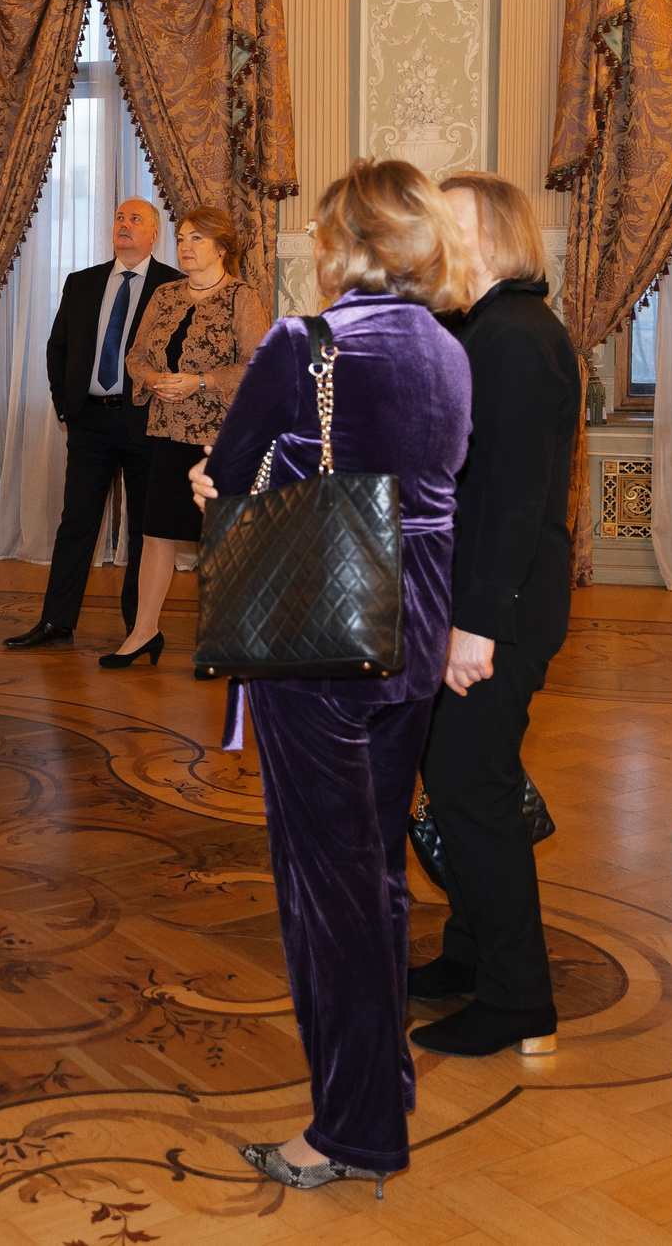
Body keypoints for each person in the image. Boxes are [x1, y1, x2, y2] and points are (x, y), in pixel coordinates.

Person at [188, 158, 472, 1194]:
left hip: (316, 628)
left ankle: (350, 1130)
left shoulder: (304, 343)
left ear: (344, 240)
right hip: (410, 628)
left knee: (329, 886)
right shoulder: (448, 348)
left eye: (320, 229)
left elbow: (225, 474)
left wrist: (204, 481)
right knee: (380, 873)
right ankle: (380, 1083)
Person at [408, 173, 582, 1059]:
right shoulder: (479, 328)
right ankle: (470, 953)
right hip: (473, 601)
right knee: (460, 782)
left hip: (495, 612)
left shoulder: (514, 337)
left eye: (450, 217)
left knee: (474, 793)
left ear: (498, 234)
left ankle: (519, 996)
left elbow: (513, 499)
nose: (431, 228)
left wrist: (472, 625)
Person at [5, 198, 180, 651]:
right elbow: (58, 347)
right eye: (119, 217)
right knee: (76, 522)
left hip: (146, 424)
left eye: (135, 219)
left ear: (154, 233)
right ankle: (56, 622)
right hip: (90, 424)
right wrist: (67, 406)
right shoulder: (82, 283)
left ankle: (138, 627)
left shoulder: (173, 287)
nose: (124, 224)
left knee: (146, 527)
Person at [107, 205, 268, 669]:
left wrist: (201, 382)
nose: (185, 246)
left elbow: (258, 366)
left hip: (219, 439)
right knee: (156, 533)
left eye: (197, 238)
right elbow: (135, 356)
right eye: (180, 238)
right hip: (167, 431)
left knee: (217, 539)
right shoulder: (164, 295)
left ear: (222, 247)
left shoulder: (242, 297)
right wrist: (155, 378)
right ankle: (143, 632)